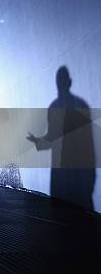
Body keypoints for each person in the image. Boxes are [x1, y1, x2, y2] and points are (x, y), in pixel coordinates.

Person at [26, 66, 95, 210]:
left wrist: (38, 141)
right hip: (74, 171)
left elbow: (52, 138)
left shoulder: (55, 107)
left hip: (67, 172)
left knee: (64, 216)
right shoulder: (78, 105)